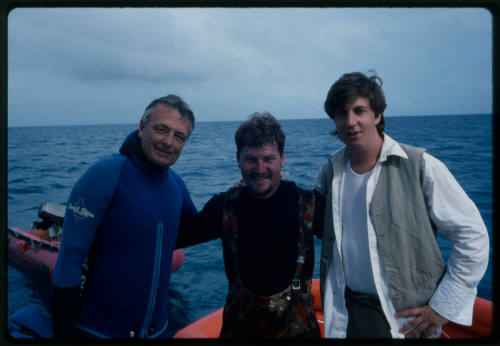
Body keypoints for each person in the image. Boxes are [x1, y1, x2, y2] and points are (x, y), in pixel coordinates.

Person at [314, 71, 489, 338]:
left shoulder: (421, 166)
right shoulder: (329, 172)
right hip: (346, 314)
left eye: (359, 110)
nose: (350, 121)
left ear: (377, 115)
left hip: (405, 322)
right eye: (341, 113)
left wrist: (442, 308)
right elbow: (308, 223)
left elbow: (473, 237)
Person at [51, 95, 198, 339]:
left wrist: (237, 197)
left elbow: (195, 230)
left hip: (158, 333)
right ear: (142, 127)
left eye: (179, 136)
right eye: (161, 129)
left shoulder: (176, 185)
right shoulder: (105, 175)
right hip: (98, 333)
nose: (168, 142)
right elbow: (69, 258)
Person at [176, 112, 324, 338]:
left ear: (282, 158)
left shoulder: (311, 204)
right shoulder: (223, 207)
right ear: (238, 159)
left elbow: (358, 242)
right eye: (251, 159)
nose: (260, 168)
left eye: (269, 159)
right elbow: (173, 237)